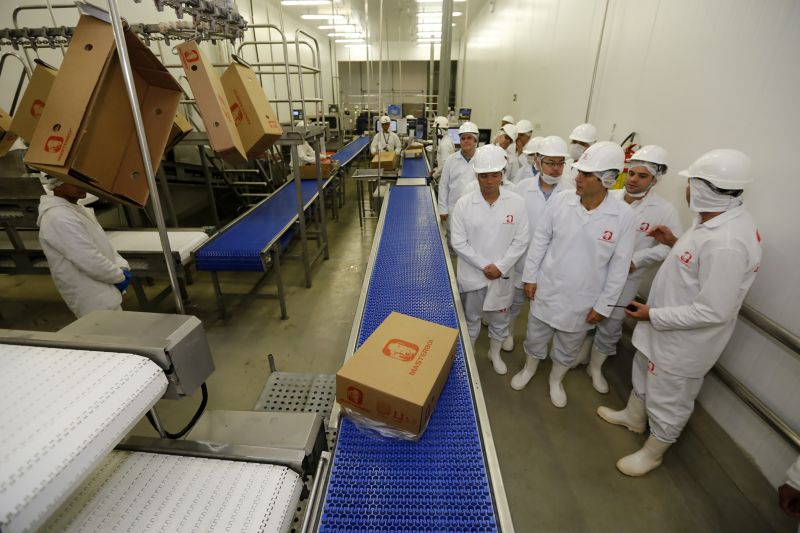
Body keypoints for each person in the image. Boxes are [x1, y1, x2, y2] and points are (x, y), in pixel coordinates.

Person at [597, 148, 761, 476]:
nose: (687, 189)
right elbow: (697, 268)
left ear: (703, 188)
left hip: (683, 343)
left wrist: (652, 315)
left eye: (691, 183)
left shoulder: (727, 242)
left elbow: (714, 310)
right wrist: (674, 240)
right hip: (663, 330)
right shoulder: (711, 222)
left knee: (669, 399)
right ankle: (633, 416)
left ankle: (654, 451)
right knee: (643, 372)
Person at [515, 142, 635, 407]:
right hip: (548, 286)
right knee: (536, 335)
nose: (576, 178)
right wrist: (530, 277)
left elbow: (618, 267)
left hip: (584, 297)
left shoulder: (623, 216)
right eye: (578, 171)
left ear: (607, 179)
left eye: (586, 174)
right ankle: (529, 369)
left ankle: (556, 380)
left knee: (569, 344)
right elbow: (540, 241)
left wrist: (603, 305)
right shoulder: (562, 201)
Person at [581, 145, 682, 394]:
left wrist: (638, 259)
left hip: (627, 280)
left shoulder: (664, 211)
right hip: (594, 274)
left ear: (655, 180)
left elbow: (670, 247)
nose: (633, 180)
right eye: (631, 173)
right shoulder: (609, 197)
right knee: (586, 315)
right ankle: (580, 355)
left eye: (642, 176)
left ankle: (596, 367)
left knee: (611, 324)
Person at [450, 144, 530, 374]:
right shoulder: (465, 204)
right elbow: (458, 241)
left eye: (495, 175)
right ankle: (470, 353)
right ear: (476, 175)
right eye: (484, 175)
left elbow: (521, 241)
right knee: (471, 319)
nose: (489, 180)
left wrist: (501, 266)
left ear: (502, 174)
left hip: (503, 275)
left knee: (500, 320)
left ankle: (494, 353)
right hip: (474, 275)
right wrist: (484, 266)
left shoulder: (517, 203)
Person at [503, 136, 570, 355]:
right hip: (521, 259)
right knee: (514, 303)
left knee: (540, 312)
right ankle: (509, 333)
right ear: (538, 162)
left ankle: (534, 350)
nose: (555, 169)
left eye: (560, 163)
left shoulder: (571, 193)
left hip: (552, 265)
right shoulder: (521, 188)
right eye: (550, 163)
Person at [37, 176, 132, 318]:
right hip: (92, 299)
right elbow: (89, 259)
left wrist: (122, 266)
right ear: (57, 184)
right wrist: (119, 277)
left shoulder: (76, 210)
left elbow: (102, 243)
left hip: (105, 292)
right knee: (106, 336)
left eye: (84, 180)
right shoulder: (58, 216)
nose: (82, 185)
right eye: (75, 181)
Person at [438, 121, 480, 224]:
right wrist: (443, 209)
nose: (466, 141)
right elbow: (443, 185)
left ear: (475, 141)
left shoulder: (483, 158)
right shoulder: (451, 160)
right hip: (454, 209)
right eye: (463, 138)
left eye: (469, 138)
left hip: (477, 208)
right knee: (453, 237)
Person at [561, 123, 597, 189]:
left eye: (582, 143)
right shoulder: (567, 163)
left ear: (591, 146)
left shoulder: (592, 169)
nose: (576, 146)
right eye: (574, 142)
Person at [433, 116, 456, 181]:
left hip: (444, 178)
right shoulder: (447, 140)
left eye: (435, 130)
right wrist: (436, 169)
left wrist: (434, 176)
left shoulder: (444, 144)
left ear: (439, 130)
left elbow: (444, 165)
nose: (435, 132)